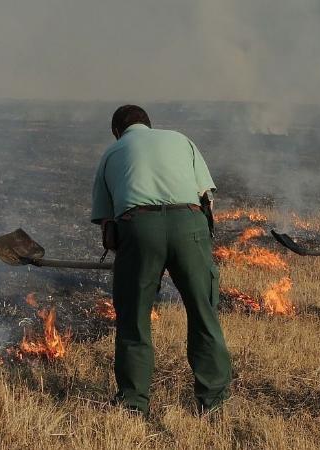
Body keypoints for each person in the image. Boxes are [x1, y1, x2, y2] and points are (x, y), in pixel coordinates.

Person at [90, 105, 231, 415]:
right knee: (203, 313)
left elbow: (108, 228)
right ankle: (214, 401)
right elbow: (208, 200)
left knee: (134, 320)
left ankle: (134, 403)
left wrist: (131, 259)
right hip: (190, 224)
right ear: (150, 126)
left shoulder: (112, 153)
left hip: (139, 228)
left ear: (117, 131)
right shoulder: (182, 140)